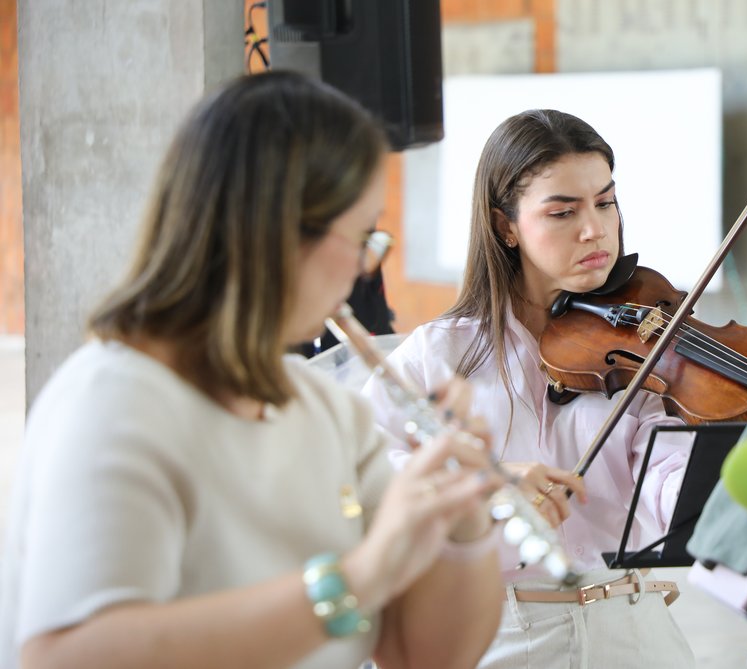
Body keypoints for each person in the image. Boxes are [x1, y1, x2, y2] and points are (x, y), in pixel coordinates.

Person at [0, 71, 505, 669]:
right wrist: (356, 580)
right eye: (364, 236)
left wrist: (464, 515)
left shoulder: (328, 409)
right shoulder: (115, 401)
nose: (366, 271)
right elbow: (67, 656)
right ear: (277, 233)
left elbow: (422, 655)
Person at [363, 109, 696, 668]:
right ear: (505, 227)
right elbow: (360, 469)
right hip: (502, 635)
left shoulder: (645, 351)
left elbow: (666, 478)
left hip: (636, 628)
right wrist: (479, 487)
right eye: (563, 212)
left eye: (606, 203)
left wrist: (724, 493)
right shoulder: (440, 353)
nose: (595, 229)